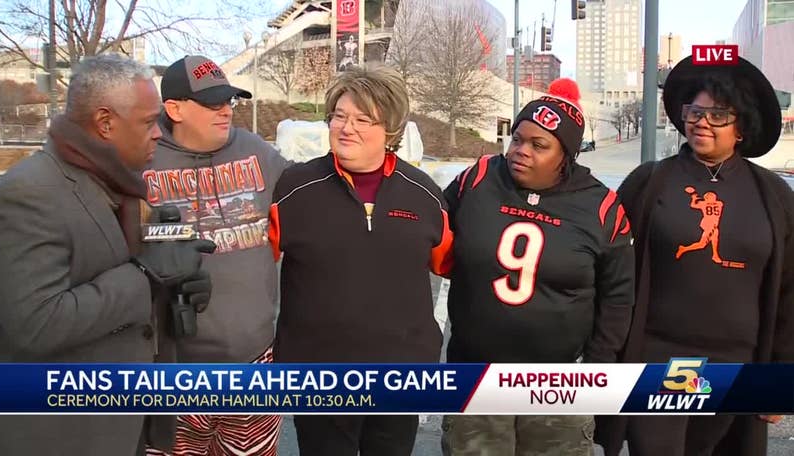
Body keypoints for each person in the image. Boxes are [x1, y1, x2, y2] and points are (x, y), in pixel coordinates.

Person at [0, 54, 215, 456]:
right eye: (147, 122)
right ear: (106, 123)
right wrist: (146, 276)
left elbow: (122, 284)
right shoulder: (29, 193)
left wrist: (179, 288)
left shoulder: (122, 185)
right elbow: (36, 323)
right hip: (59, 435)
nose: (159, 134)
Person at [595, 56, 794, 456]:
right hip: (658, 361)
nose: (702, 122)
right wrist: (604, 355)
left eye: (717, 115)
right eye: (695, 111)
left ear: (742, 127)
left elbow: (791, 289)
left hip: (739, 366)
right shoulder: (650, 182)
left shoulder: (774, 195)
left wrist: (781, 374)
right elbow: (609, 269)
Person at [440, 78, 635, 456]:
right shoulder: (478, 178)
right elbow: (430, 232)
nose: (520, 151)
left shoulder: (602, 208)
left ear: (566, 155)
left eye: (538, 145)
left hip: (558, 380)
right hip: (477, 372)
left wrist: (594, 369)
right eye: (517, 139)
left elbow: (618, 297)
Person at [268, 65, 452, 456]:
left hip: (400, 378)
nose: (345, 127)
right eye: (339, 116)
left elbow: (448, 263)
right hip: (320, 377)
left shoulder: (424, 195)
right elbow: (254, 263)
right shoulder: (294, 189)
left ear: (390, 130)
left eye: (362, 119)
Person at [143, 55, 289, 456]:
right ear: (174, 109)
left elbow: (311, 198)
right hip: (173, 370)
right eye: (212, 103)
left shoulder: (256, 151)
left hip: (255, 364)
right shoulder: (141, 158)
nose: (225, 110)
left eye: (229, 100)